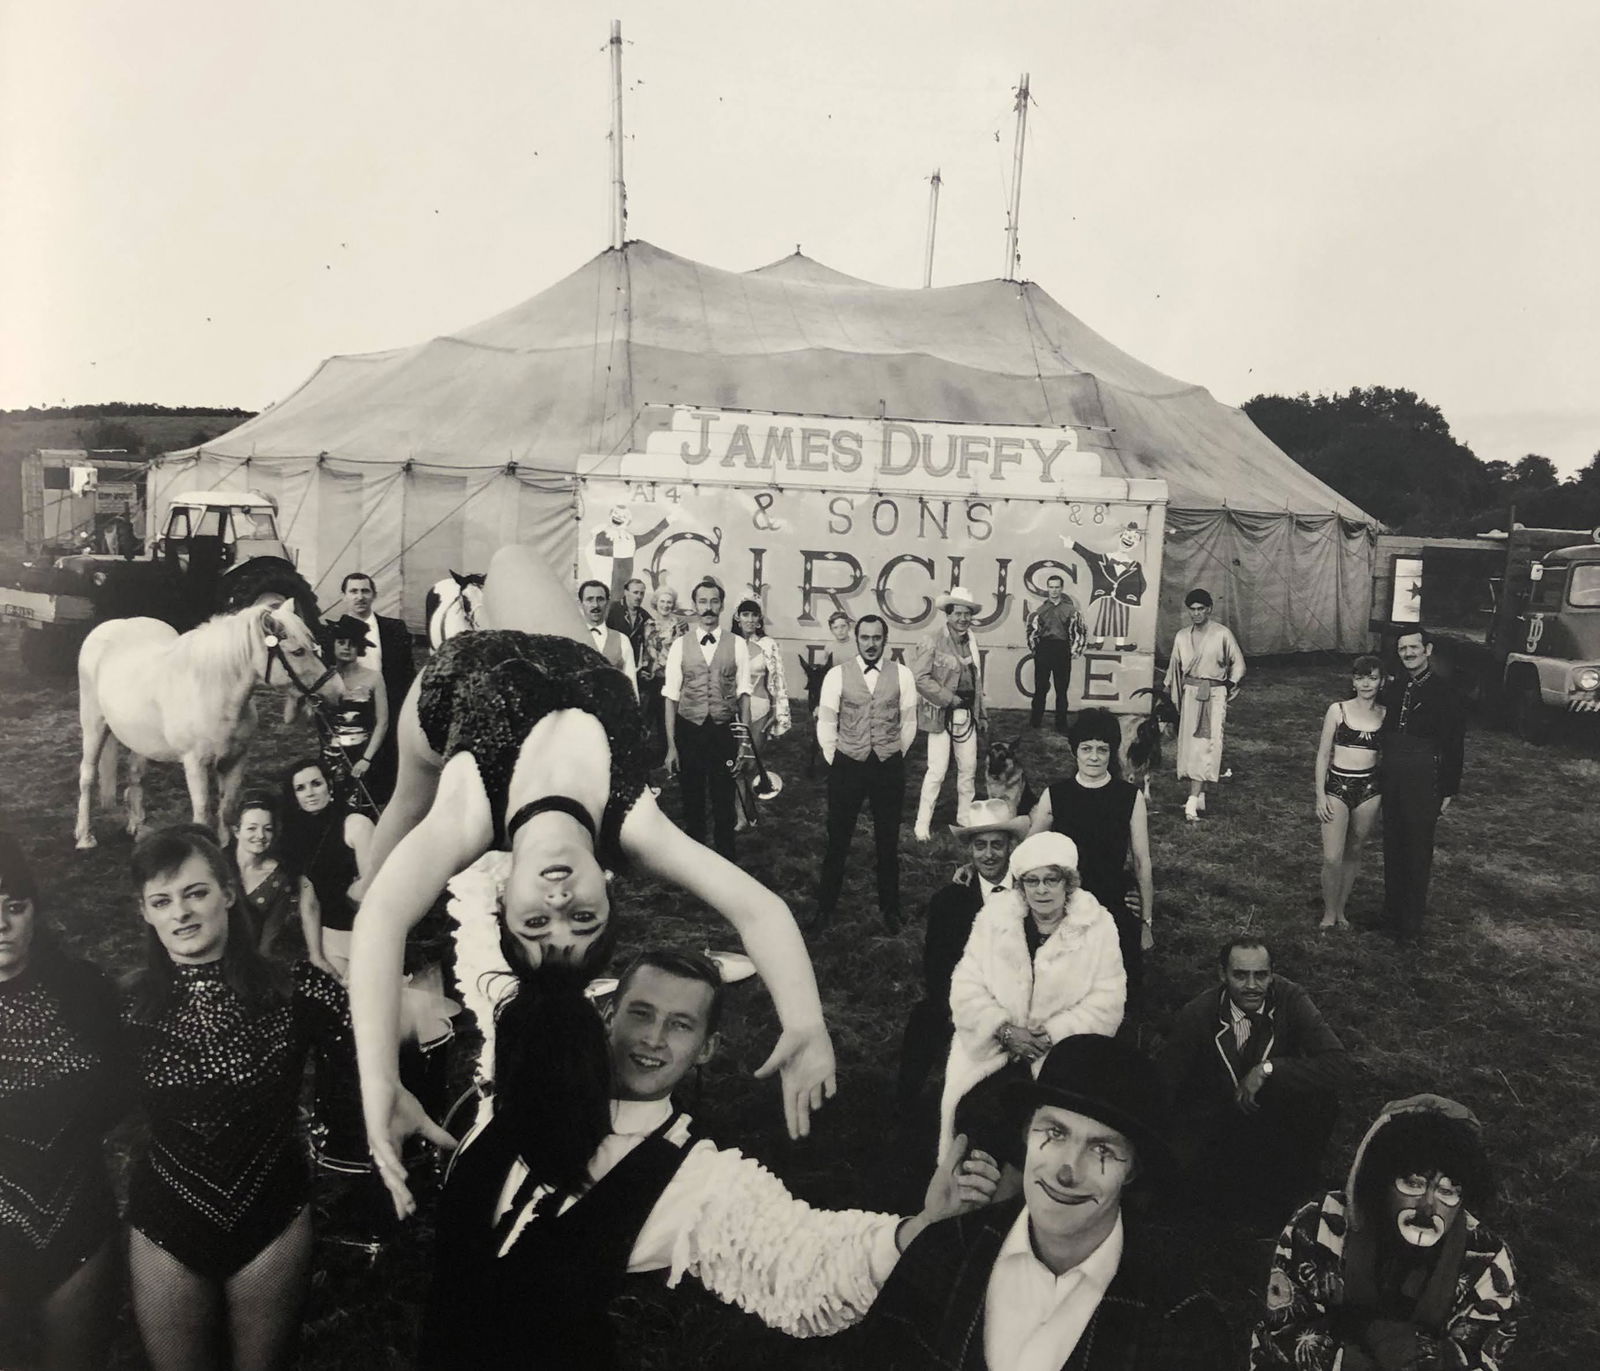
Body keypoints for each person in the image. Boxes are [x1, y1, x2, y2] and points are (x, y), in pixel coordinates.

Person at [348, 544, 836, 1218]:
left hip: (452, 697)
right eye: (582, 919)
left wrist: (378, 1077)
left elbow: (385, 918)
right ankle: (367, 904)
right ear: (609, 890)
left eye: (536, 921)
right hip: (569, 663)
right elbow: (760, 910)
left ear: (504, 896)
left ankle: (363, 906)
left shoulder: (465, 817)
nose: (558, 900)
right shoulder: (636, 825)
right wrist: (806, 1021)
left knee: (395, 837)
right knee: (510, 557)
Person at [420, 947, 1000, 1370]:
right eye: (641, 1013)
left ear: (707, 1048)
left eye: (680, 1026)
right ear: (608, 1014)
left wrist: (922, 1228)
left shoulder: (692, 1178)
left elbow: (803, 1263)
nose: (654, 1039)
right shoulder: (521, 1091)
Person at [121, 827, 357, 1371]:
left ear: (228, 893)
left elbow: (363, 1057)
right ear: (145, 913)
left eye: (195, 893)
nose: (181, 912)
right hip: (167, 1218)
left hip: (272, 1212)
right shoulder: (124, 1007)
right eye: (162, 901)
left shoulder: (298, 989)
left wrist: (396, 1090)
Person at [860, 1034, 1232, 1370]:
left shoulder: (1181, 1324)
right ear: (1026, 1134)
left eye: (1101, 1149)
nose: (1067, 1171)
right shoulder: (943, 1252)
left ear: (1132, 1170)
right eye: (1055, 1133)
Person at [1250, 1093, 1519, 1370]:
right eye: (1413, 1184)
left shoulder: (1486, 1261)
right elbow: (1282, 1334)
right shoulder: (1317, 1226)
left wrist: (1410, 1350)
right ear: (1381, 1181)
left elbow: (1480, 1359)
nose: (1428, 1206)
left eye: (1447, 1191)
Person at [0, 833, 125, 1371]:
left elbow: (121, 1092)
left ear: (35, 910)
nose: (2, 925)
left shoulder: (84, 990)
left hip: (79, 1216)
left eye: (14, 907)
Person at [941, 831, 1125, 1160]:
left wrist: (1052, 1035)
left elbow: (1107, 1001)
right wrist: (1003, 1030)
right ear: (1021, 885)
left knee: (1047, 1138)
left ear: (1068, 883)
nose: (1041, 890)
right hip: (991, 1050)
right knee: (977, 1124)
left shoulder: (1098, 926)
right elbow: (966, 985)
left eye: (1051, 880)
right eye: (1032, 881)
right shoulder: (994, 919)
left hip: (1062, 1059)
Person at [1158, 937, 1351, 1227]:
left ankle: (1294, 1186)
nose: (1252, 985)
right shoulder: (1197, 1014)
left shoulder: (1290, 999)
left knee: (1321, 1100)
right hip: (1216, 1123)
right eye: (1240, 975)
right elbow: (1165, 1085)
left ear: (1272, 974)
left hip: (1272, 1116)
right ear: (1222, 975)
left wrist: (1269, 1069)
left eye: (1261, 975)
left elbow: (1339, 1064)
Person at [894, 799, 1030, 1106]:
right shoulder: (949, 901)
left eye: (997, 845)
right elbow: (938, 972)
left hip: (1022, 997)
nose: (989, 854)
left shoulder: (1030, 892)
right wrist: (979, 1014)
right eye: (980, 846)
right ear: (969, 849)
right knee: (926, 1017)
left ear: (1010, 846)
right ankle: (905, 1110)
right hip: (969, 998)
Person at [1028, 708, 1154, 999]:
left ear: (1112, 751)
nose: (1094, 757)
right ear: (1074, 751)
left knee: (1118, 992)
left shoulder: (1129, 796)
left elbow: (1141, 860)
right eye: (1086, 749)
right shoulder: (1056, 794)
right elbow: (1028, 852)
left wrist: (1146, 923)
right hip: (1064, 902)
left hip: (1112, 899)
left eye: (1102, 749)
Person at [811, 613, 918, 934]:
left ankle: (890, 909)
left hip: (888, 766)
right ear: (856, 639)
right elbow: (826, 723)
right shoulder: (836, 675)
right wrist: (839, 758)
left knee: (888, 841)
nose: (871, 644)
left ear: (885, 640)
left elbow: (909, 723)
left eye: (877, 638)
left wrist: (890, 753)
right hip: (847, 765)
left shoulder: (902, 674)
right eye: (865, 637)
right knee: (837, 840)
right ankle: (825, 908)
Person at [1375, 629, 1465, 943]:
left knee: (1417, 848)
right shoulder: (1395, 687)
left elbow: (1454, 743)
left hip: (1424, 774)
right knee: (1393, 844)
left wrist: (1448, 788)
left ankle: (1410, 925)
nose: (1408, 653)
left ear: (1427, 649)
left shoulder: (1446, 691)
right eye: (1403, 649)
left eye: (1414, 647)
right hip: (1393, 774)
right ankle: (1390, 915)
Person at [662, 577, 752, 858]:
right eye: (703, 602)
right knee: (692, 801)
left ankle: (726, 860)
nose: (708, 607)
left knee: (724, 801)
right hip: (690, 731)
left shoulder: (738, 644)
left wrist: (744, 744)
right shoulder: (680, 645)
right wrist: (671, 746)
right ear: (695, 606)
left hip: (723, 732)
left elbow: (744, 696)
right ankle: (696, 862)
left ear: (722, 606)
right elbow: (671, 698)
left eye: (714, 601)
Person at [280, 758, 374, 980]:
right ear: (294, 796)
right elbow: (309, 901)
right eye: (301, 788)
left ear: (329, 786)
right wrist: (316, 955)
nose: (310, 793)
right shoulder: (296, 837)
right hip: (330, 934)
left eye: (316, 783)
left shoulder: (355, 824)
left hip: (369, 932)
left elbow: (372, 891)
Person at [1314, 655, 1387, 929]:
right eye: (1360, 678)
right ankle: (1328, 912)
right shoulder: (1338, 710)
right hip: (1337, 786)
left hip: (1369, 789)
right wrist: (1320, 795)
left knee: (1354, 850)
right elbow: (1323, 755)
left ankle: (1341, 910)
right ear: (1353, 682)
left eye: (1372, 678)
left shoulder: (1386, 714)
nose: (1366, 684)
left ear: (1381, 682)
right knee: (1332, 856)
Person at [912, 587, 989, 841]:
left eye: (967, 614)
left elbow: (977, 681)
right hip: (940, 714)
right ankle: (922, 825)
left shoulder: (972, 642)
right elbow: (920, 678)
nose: (963, 619)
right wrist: (948, 698)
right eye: (958, 613)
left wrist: (981, 714)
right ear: (948, 614)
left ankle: (965, 820)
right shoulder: (932, 640)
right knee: (937, 770)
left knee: (968, 769)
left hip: (967, 714)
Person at [333, 571, 414, 807]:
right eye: (353, 591)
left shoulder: (394, 629)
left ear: (374, 595)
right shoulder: (333, 636)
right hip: (347, 715)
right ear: (344, 596)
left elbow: (407, 675)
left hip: (387, 709)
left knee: (387, 773)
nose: (360, 597)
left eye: (365, 591)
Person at [1164, 588, 1246, 822]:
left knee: (1206, 745)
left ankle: (1192, 800)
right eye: (1193, 609)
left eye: (1201, 609)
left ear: (1209, 609)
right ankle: (1199, 797)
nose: (1197, 613)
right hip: (1190, 694)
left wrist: (1229, 684)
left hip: (1213, 695)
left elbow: (1238, 664)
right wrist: (1169, 694)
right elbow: (1173, 669)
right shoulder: (1182, 636)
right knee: (1191, 746)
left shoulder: (1222, 634)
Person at [312, 613, 391, 817]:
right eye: (341, 642)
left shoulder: (374, 677)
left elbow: (382, 722)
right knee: (329, 813)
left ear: (360, 647)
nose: (346, 647)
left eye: (352, 643)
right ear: (333, 644)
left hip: (361, 757)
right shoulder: (324, 680)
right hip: (329, 757)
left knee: (361, 813)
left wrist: (366, 759)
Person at [231, 793, 321, 964]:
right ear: (236, 831)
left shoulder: (277, 879)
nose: (260, 835)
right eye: (251, 828)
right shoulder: (217, 866)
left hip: (248, 961)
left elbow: (269, 938)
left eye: (268, 829)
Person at [731, 598, 792, 831]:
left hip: (761, 708)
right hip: (734, 710)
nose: (750, 619)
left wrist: (777, 711)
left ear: (759, 620)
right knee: (734, 763)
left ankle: (748, 812)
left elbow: (778, 679)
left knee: (750, 763)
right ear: (737, 617)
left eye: (754, 615)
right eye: (745, 614)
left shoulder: (768, 645)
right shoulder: (729, 643)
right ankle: (742, 815)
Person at [1028, 574, 1083, 733]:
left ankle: (1061, 724)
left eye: (1057, 587)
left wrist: (1074, 650)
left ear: (1061, 588)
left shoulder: (1070, 610)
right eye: (1051, 587)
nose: (1054, 590)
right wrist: (1035, 649)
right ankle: (1035, 722)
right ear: (1047, 588)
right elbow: (1032, 631)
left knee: (1061, 689)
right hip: (1044, 649)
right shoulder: (1040, 610)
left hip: (1062, 649)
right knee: (1040, 687)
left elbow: (1079, 631)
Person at [578, 579, 640, 695]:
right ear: (580, 603)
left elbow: (632, 686)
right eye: (589, 599)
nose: (595, 605)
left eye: (600, 599)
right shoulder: (571, 639)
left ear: (607, 603)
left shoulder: (622, 640)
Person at [605, 575, 652, 670]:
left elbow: (648, 643)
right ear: (626, 592)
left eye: (642, 593)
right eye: (635, 592)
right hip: (611, 662)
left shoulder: (645, 616)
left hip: (632, 665)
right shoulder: (612, 609)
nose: (639, 596)